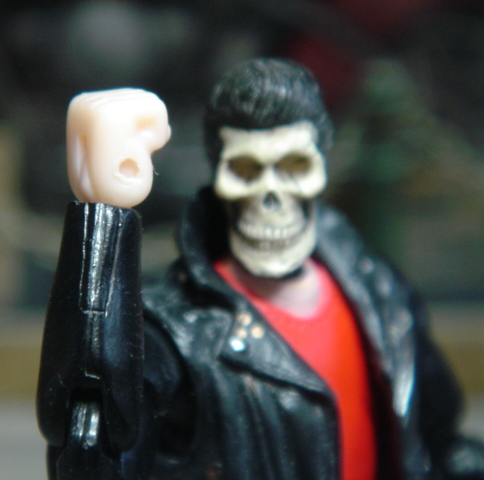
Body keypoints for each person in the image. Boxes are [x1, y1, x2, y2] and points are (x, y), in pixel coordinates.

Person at [38, 58, 484, 480]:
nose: (270, 196)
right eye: (246, 170)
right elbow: (94, 449)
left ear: (322, 167)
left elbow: (438, 440)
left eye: (293, 167)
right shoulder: (173, 331)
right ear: (218, 176)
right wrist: (105, 218)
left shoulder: (382, 294)